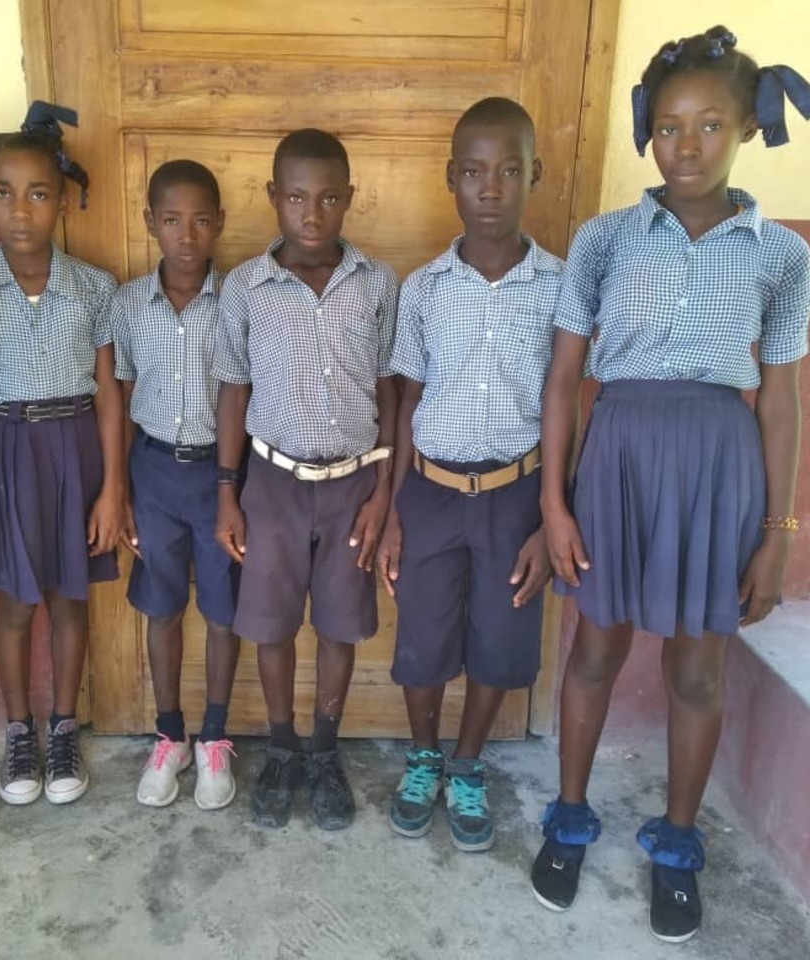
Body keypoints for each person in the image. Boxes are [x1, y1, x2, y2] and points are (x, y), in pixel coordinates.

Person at [530, 27, 810, 944]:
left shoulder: (780, 255)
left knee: (698, 667)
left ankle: (678, 843)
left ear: (743, 131)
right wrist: (554, 501)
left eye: (710, 126)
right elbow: (567, 378)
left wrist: (777, 530)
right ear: (647, 129)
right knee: (596, 650)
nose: (686, 146)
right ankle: (569, 820)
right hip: (616, 462)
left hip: (720, 467)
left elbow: (777, 400)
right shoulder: (606, 239)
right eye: (668, 126)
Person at [379, 97, 558, 852]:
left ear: (533, 177)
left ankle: (469, 762)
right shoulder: (423, 289)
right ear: (450, 178)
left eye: (510, 171)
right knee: (421, 639)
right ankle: (423, 755)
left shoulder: (561, 286)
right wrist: (389, 511)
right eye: (475, 172)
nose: (492, 188)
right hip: (430, 492)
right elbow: (404, 400)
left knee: (500, 635)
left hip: (518, 493)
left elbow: (566, 406)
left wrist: (554, 520)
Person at [214, 129, 398, 830]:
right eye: (296, 197)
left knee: (341, 625)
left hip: (353, 484)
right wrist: (226, 491)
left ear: (349, 199)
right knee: (270, 625)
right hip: (271, 483)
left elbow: (387, 389)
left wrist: (383, 489)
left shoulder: (377, 284)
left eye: (328, 198)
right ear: (273, 199)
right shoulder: (246, 287)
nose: (312, 213)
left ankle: (325, 750)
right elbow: (234, 390)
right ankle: (282, 748)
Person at [0, 102, 123, 807]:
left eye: (38, 194)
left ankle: (63, 730)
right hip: (3, 446)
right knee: (17, 602)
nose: (20, 211)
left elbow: (111, 394)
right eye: (3, 193)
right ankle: (19, 730)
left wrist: (113, 487)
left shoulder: (94, 287)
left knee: (68, 595)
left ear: (63, 200)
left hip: (75, 444)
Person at [113, 159, 240, 810]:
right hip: (155, 470)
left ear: (219, 224)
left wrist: (232, 484)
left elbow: (247, 395)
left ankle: (216, 736)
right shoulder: (129, 303)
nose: (186, 234)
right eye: (171, 220)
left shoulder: (239, 297)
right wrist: (122, 489)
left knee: (222, 607)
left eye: (199, 220)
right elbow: (123, 393)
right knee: (161, 605)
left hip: (222, 475)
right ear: (150, 225)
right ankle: (171, 733)